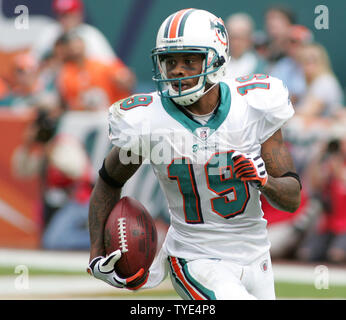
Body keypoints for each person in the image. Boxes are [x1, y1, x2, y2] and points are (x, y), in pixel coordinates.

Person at [87, 9, 301, 300]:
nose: (177, 70)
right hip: (194, 258)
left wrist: (265, 181)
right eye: (170, 61)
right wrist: (96, 254)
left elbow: (292, 198)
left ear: (217, 58)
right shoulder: (149, 120)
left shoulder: (253, 105)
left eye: (189, 60)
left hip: (257, 257)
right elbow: (109, 180)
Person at [57, 31, 135, 111]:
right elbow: (68, 103)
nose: (73, 48)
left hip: (112, 112)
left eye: (75, 43)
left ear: (82, 44)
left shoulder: (103, 63)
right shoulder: (65, 73)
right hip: (83, 116)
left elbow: (126, 81)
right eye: (69, 45)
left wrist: (124, 80)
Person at [31, 0, 117, 64]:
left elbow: (110, 66)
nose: (66, 20)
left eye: (70, 14)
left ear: (79, 14)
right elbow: (33, 61)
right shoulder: (50, 32)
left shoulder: (90, 34)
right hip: (53, 85)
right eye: (62, 15)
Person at [224, 13, 267, 79]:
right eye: (233, 37)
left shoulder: (260, 65)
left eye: (241, 38)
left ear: (249, 39)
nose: (236, 43)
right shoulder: (219, 64)